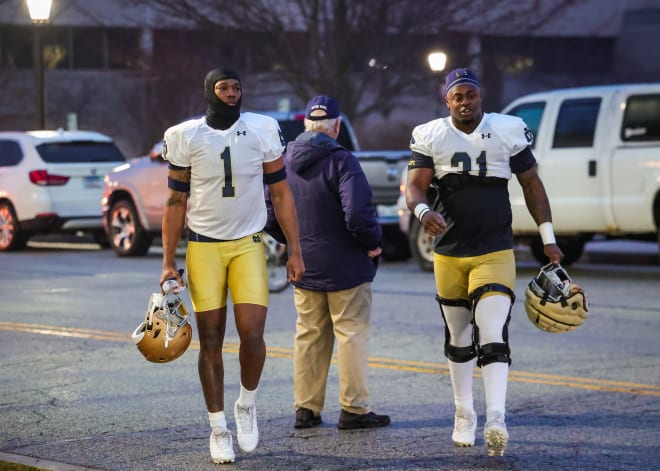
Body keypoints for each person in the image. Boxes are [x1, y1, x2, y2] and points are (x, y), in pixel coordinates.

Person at [405, 68, 563, 456]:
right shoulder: (431, 133)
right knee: (459, 338)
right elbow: (414, 186)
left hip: (494, 249)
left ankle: (496, 417)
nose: (464, 102)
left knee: (492, 331)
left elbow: (532, 184)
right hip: (450, 252)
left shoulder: (507, 129)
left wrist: (549, 239)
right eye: (457, 96)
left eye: (470, 95)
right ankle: (464, 412)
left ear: (481, 96)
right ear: (447, 100)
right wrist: (424, 211)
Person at [159, 66, 305, 464]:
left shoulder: (260, 129)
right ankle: (218, 427)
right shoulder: (186, 136)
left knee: (253, 334)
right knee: (210, 340)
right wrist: (168, 261)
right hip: (204, 247)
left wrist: (295, 249)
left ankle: (246, 403)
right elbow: (175, 203)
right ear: (209, 91)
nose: (231, 94)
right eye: (223, 87)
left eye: (236, 87)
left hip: (248, 245)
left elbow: (281, 193)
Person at [284, 95, 391, 431]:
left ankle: (306, 408)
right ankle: (354, 409)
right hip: (346, 265)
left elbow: (272, 213)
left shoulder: (283, 161)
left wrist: (293, 245)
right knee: (351, 333)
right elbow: (357, 214)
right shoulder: (342, 160)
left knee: (309, 335)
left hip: (305, 264)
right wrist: (373, 244)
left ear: (305, 125)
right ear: (337, 126)